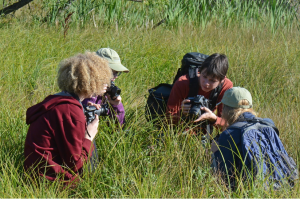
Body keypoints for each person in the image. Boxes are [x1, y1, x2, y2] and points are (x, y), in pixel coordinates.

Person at [24, 52, 112, 184]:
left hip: (35, 175)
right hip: (52, 182)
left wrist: (82, 112)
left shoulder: (56, 100)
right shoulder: (70, 111)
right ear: (94, 81)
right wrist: (89, 135)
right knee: (99, 183)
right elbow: (74, 164)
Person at [211, 87, 298, 188]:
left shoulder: (228, 134)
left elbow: (225, 175)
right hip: (284, 183)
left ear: (226, 108)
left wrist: (216, 152)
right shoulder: (269, 124)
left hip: (252, 188)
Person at [167, 53, 233, 130]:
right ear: (199, 71)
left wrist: (213, 118)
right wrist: (182, 113)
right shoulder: (183, 83)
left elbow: (227, 124)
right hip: (181, 129)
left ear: (221, 80)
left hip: (206, 130)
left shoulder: (226, 87)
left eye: (212, 80)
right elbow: (168, 119)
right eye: (204, 76)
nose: (206, 83)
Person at [82, 48, 129, 126]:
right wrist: (92, 95)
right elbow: (81, 123)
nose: (116, 77)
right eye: (112, 72)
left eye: (117, 73)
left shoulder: (106, 90)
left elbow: (119, 126)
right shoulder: (78, 88)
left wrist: (116, 105)